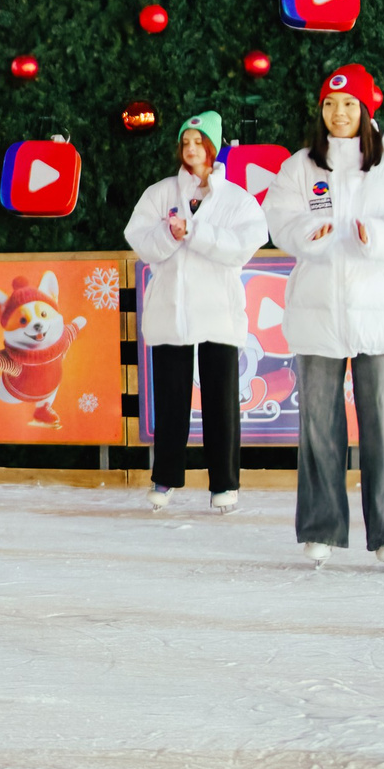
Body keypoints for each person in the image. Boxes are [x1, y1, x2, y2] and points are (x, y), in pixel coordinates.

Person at [263, 65, 384, 566]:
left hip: (379, 311)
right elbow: (280, 218)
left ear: (366, 109)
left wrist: (375, 237)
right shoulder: (299, 167)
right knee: (318, 426)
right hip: (318, 311)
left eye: (349, 104)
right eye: (331, 105)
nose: (339, 114)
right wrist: (303, 237)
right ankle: (322, 528)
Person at [125, 112, 268, 514]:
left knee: (222, 400)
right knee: (171, 399)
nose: (191, 149)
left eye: (198, 141)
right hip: (171, 311)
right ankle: (165, 478)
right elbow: (139, 238)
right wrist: (168, 236)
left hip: (217, 313)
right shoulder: (160, 193)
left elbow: (245, 245)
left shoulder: (236, 199)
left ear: (213, 146)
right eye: (185, 141)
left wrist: (197, 233)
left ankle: (224, 484)